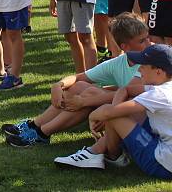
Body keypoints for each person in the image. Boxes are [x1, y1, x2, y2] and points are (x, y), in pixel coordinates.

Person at [2, 13, 150, 147]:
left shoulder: (151, 60)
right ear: (125, 46)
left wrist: (84, 101)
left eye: (147, 38)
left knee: (89, 94)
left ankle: (42, 133)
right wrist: (57, 86)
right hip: (125, 108)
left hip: (144, 116)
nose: (149, 43)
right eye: (143, 40)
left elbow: (129, 93)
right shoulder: (121, 62)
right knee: (79, 86)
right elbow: (79, 77)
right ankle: (35, 126)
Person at [53, 44, 172, 177]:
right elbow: (125, 90)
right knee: (120, 109)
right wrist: (112, 110)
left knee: (115, 116)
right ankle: (100, 151)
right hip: (164, 148)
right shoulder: (166, 87)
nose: (139, 69)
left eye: (144, 66)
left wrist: (93, 116)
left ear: (159, 72)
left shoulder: (158, 94)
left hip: (162, 165)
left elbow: (109, 113)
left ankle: (112, 156)